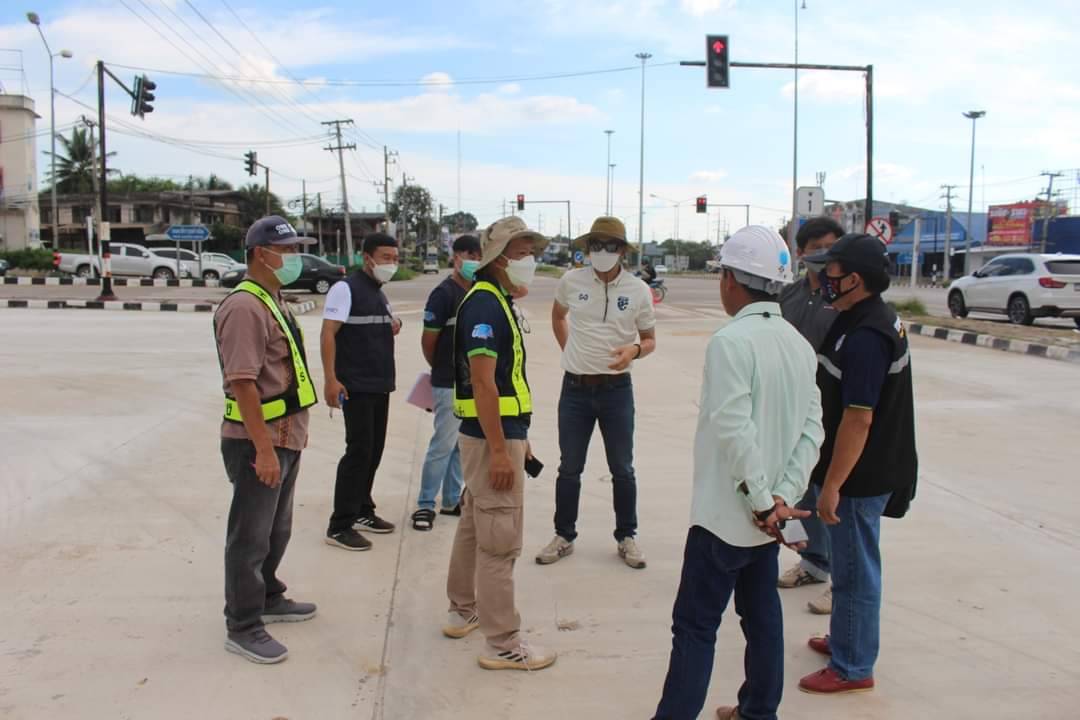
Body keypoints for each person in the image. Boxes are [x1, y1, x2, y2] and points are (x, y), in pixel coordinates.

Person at [653, 226, 824, 720]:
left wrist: (760, 501)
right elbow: (812, 430)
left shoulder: (730, 341)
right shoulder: (797, 344)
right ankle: (759, 712)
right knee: (762, 619)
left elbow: (733, 429)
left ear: (730, 279)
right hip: (767, 522)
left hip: (725, 519)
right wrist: (780, 499)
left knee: (695, 627)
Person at [796, 233, 918, 696]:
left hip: (859, 476)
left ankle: (852, 666)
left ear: (855, 279)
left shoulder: (868, 335)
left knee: (854, 570)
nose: (822, 276)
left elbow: (859, 418)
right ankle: (846, 638)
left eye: (830, 269)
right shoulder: (861, 317)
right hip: (860, 468)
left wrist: (832, 485)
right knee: (850, 564)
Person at [443, 216, 557, 672]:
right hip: (491, 439)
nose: (531, 261)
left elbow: (506, 385)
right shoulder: (486, 306)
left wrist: (518, 439)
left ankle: (462, 609)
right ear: (499, 259)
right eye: (523, 253)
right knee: (499, 542)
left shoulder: (494, 301)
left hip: (497, 434)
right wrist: (498, 450)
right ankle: (503, 642)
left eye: (532, 253)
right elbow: (484, 383)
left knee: (476, 524)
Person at [213, 215, 319, 664]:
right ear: (261, 253)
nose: (295, 258)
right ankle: (243, 625)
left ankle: (269, 595)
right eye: (288, 250)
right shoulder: (244, 307)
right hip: (259, 440)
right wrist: (262, 450)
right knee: (250, 535)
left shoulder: (272, 298)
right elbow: (243, 382)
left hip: (285, 434)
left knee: (277, 528)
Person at [535, 216, 657, 569]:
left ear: (622, 251)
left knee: (623, 468)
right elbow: (557, 316)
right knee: (569, 467)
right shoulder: (571, 281)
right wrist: (569, 351)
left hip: (616, 391)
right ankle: (564, 535)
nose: (603, 252)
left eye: (610, 246)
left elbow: (650, 339)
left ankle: (626, 536)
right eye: (596, 245)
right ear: (587, 249)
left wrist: (634, 351)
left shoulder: (637, 290)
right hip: (574, 390)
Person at [777, 216, 843, 616]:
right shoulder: (789, 296)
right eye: (816, 248)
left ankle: (843, 582)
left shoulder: (845, 297)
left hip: (835, 410)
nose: (823, 255)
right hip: (793, 408)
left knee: (833, 496)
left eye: (830, 247)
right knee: (800, 486)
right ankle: (814, 563)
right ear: (800, 253)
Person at [321, 232, 402, 551]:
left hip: (380, 383)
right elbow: (328, 333)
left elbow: (379, 324)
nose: (391, 263)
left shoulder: (378, 292)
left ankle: (362, 509)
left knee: (374, 450)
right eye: (385, 257)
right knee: (358, 452)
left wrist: (393, 324)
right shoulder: (346, 288)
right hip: (355, 384)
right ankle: (340, 525)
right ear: (367, 258)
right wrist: (330, 379)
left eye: (395, 258)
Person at [411, 234, 483, 531]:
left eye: (478, 257)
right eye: (469, 256)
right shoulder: (443, 294)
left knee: (459, 446)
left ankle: (452, 500)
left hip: (472, 384)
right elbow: (429, 341)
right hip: (448, 383)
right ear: (456, 258)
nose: (474, 262)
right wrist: (441, 369)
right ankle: (425, 504)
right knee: (442, 445)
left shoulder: (478, 291)